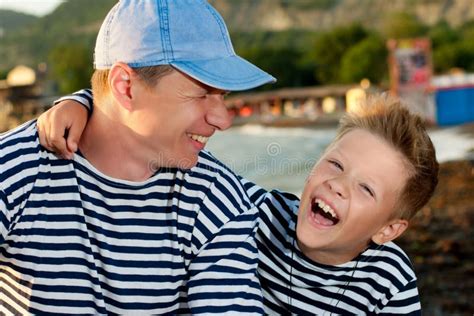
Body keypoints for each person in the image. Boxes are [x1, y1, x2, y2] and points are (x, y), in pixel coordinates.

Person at [40, 92, 438, 314]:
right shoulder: (250, 214)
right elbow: (162, 141)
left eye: (366, 189)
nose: (337, 186)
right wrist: (84, 103)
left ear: (389, 230)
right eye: (335, 164)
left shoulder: (389, 281)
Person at [0, 0, 277, 314]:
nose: (223, 120)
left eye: (223, 96)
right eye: (201, 95)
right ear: (125, 87)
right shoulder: (17, 169)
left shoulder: (216, 196)